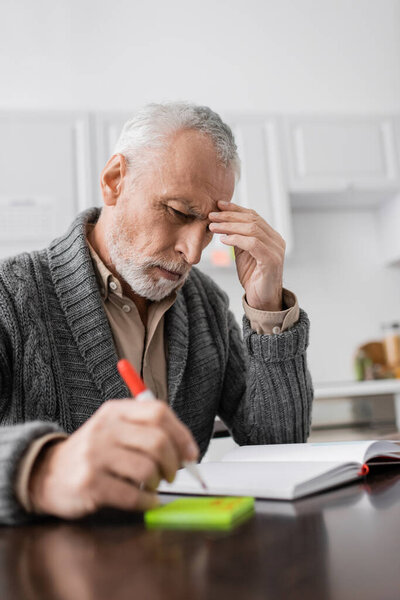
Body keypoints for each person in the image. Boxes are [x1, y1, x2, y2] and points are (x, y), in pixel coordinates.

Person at [0, 103, 313, 524]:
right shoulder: (11, 294)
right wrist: (40, 471)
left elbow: (280, 445)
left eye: (208, 228)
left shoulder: (204, 304)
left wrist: (267, 306)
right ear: (115, 182)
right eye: (180, 212)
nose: (194, 252)